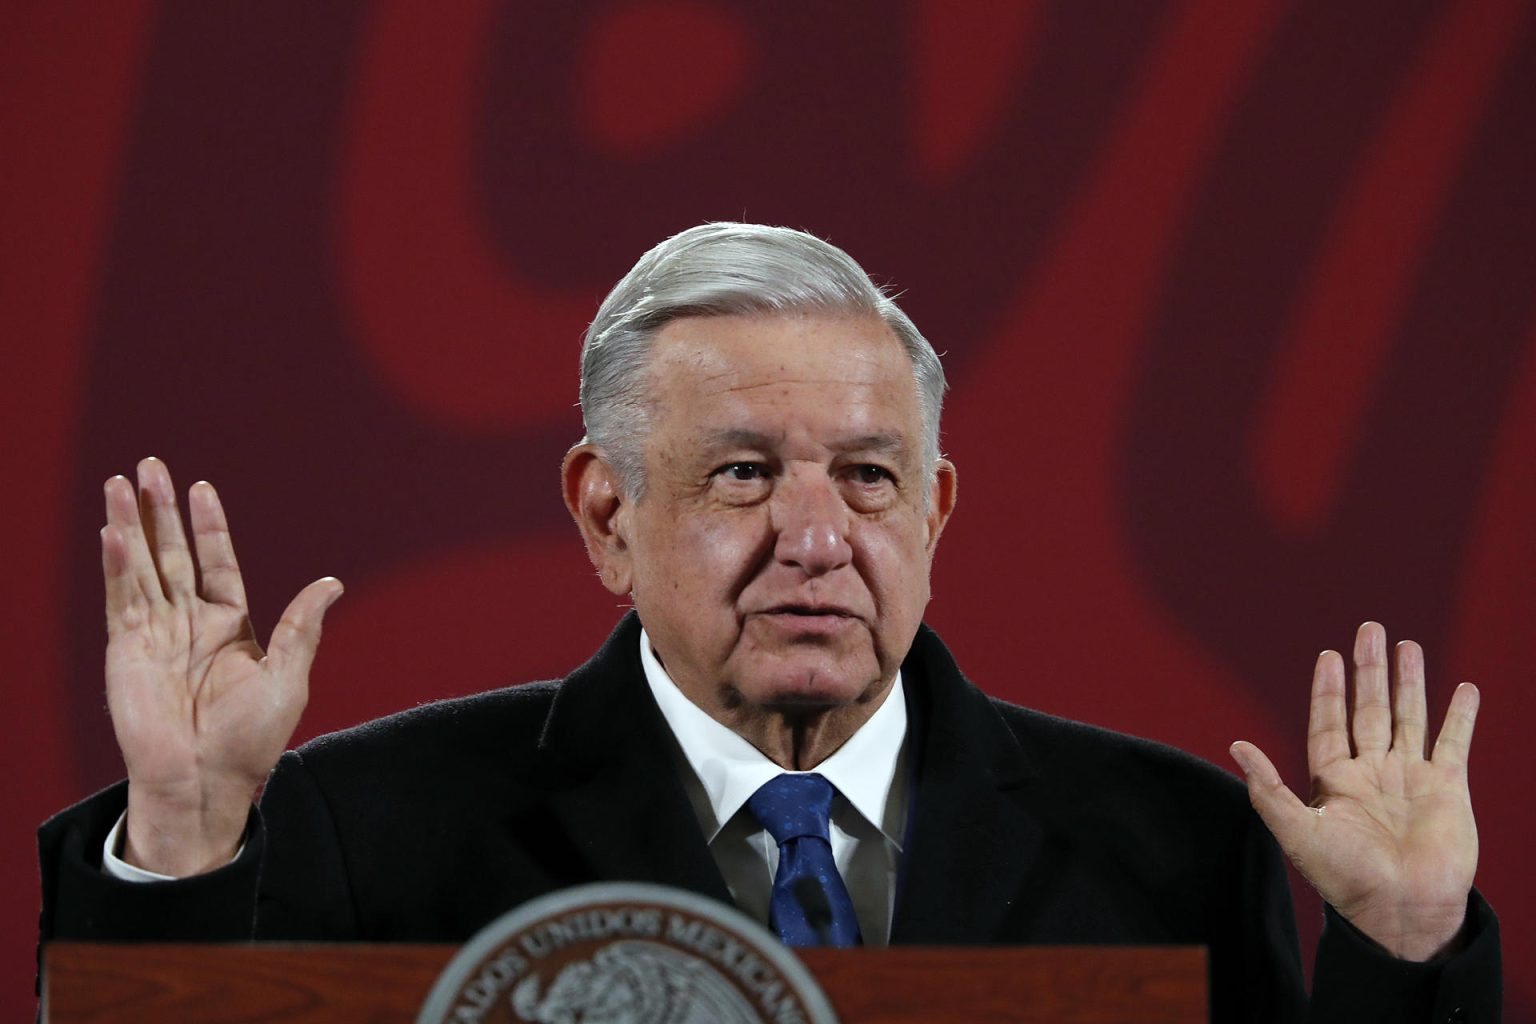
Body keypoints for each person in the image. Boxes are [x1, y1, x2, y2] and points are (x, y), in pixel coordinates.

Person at [39, 223, 1499, 1020]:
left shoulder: (1173, 842)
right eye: (743, 474)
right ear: (607, 516)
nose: (816, 537)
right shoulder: (368, 827)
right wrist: (177, 843)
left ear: (932, 514)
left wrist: (1409, 950)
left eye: (869, 478)